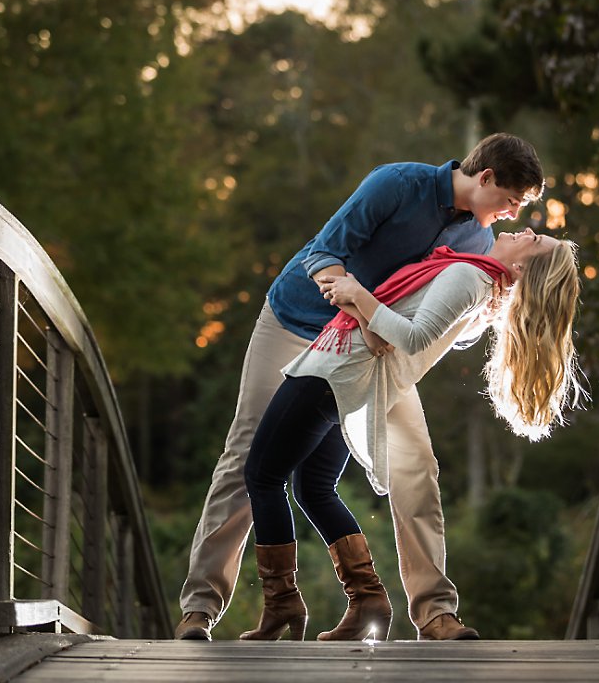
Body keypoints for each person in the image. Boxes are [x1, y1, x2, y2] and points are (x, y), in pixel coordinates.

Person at [176, 134, 546, 641]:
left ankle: (435, 612)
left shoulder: (479, 243)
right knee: (246, 457)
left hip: (373, 355)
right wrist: (365, 314)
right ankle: (201, 606)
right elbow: (325, 253)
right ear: (485, 178)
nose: (511, 213)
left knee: (416, 467)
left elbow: (438, 329)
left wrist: (488, 312)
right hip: (296, 321)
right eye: (511, 200)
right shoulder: (396, 184)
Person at [239, 231, 581, 641]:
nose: (525, 230)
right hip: (349, 377)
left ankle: (282, 604)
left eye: (535, 239)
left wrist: (354, 291)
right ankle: (367, 599)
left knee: (262, 476)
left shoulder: (470, 277)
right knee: (313, 487)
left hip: (333, 373)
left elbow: (414, 336)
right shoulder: (481, 284)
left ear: (522, 268)